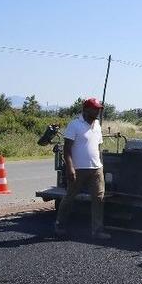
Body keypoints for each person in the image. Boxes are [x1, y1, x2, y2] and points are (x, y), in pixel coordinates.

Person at [54, 98, 109, 240]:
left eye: (99, 109)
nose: (98, 111)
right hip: (78, 169)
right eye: (95, 109)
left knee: (99, 198)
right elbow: (67, 149)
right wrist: (70, 168)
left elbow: (98, 147)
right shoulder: (74, 125)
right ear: (86, 109)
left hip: (96, 169)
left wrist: (101, 165)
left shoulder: (97, 124)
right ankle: (60, 224)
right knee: (70, 197)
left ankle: (97, 230)